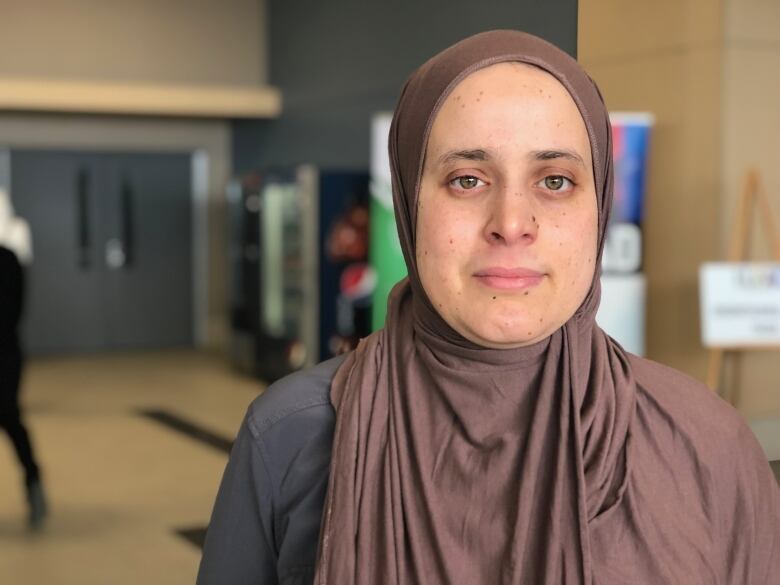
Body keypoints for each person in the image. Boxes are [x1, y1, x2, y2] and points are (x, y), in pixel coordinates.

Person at [198, 30, 779, 584]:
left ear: (598, 208)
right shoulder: (290, 436)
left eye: (554, 181)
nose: (510, 224)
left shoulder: (705, 444)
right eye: (468, 179)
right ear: (408, 203)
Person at [0, 188, 47, 529]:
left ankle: (33, 481)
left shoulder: (8, 260)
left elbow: (11, 313)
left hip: (3, 355)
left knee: (9, 418)